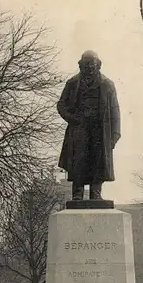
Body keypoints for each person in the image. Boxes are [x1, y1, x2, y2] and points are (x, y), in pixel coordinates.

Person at [57, 50, 121, 200]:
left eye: (92, 65)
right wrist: (73, 119)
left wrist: (115, 134)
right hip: (79, 129)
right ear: (80, 66)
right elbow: (61, 105)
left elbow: (115, 111)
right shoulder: (72, 83)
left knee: (98, 160)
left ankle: (96, 194)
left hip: (100, 131)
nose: (89, 68)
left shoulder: (107, 85)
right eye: (86, 65)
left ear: (98, 65)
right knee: (78, 160)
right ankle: (77, 194)